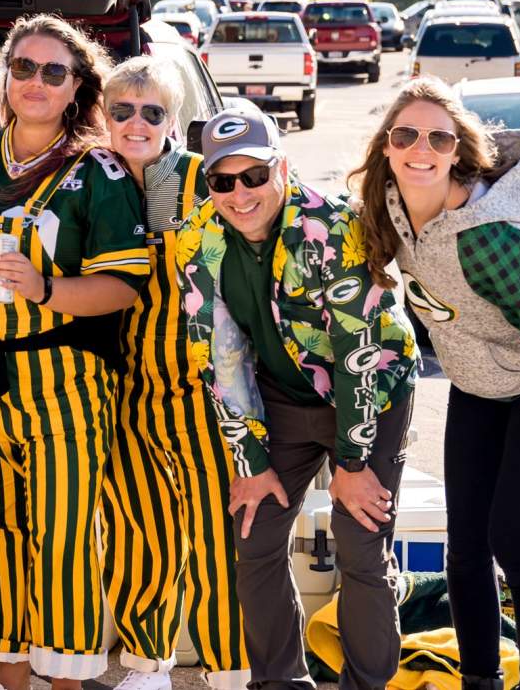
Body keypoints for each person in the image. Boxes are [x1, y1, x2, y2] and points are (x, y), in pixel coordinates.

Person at [176, 107, 418, 690]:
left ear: (281, 166)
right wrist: (252, 463)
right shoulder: (196, 237)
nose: (239, 194)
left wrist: (353, 465)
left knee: (360, 543)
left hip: (370, 395)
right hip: (282, 400)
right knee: (254, 539)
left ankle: (367, 684)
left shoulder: (335, 226)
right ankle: (279, 682)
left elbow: (358, 351)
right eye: (222, 180)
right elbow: (220, 357)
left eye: (254, 175)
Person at [0, 14, 150, 690]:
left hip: (63, 381)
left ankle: (65, 681)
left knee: (62, 538)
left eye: (53, 72)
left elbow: (123, 286)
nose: (35, 82)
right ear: (5, 77)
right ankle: (10, 679)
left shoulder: (101, 171)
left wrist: (46, 288)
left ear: (76, 87)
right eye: (23, 68)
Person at [349, 75, 520, 690]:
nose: (420, 148)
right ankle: (481, 678)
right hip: (478, 387)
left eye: (438, 138)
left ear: (459, 150)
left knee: (516, 537)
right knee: (465, 544)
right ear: (386, 147)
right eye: (405, 134)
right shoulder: (388, 207)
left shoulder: (485, 236)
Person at [99, 56, 249, 690]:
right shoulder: (89, 179)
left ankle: (230, 668)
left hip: (205, 390)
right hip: (124, 392)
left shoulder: (202, 180)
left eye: (152, 111)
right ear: (102, 116)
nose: (137, 123)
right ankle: (146, 665)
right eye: (122, 110)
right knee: (138, 531)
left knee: (219, 535)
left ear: (175, 119)